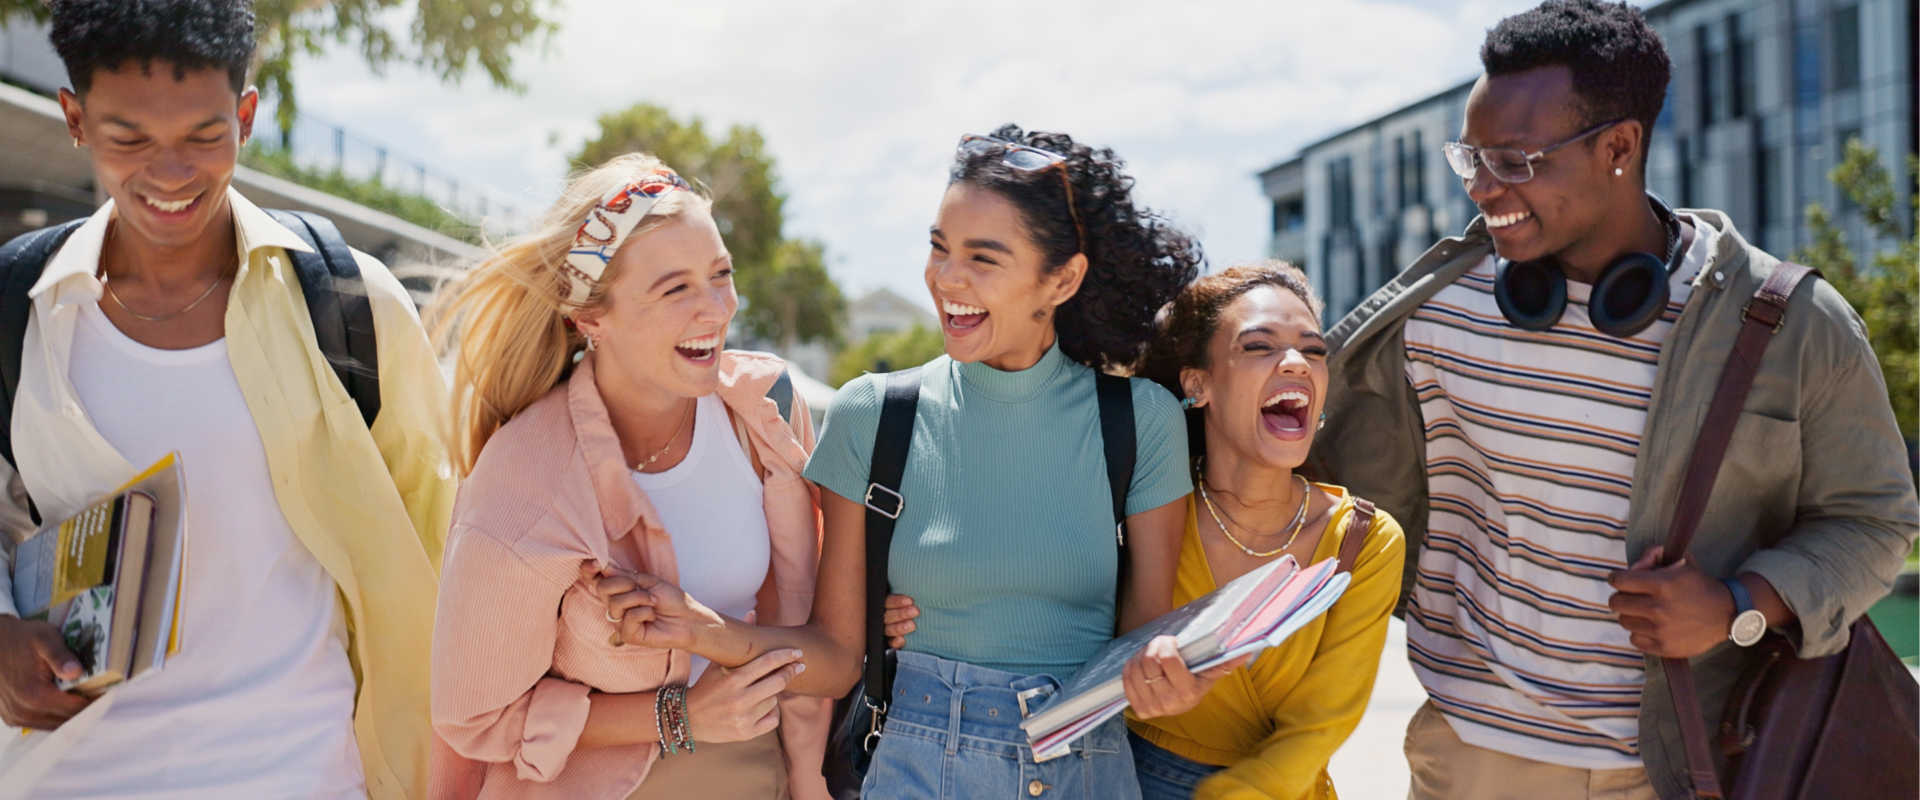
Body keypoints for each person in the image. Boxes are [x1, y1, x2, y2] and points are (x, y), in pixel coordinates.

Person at [1308, 2, 1920, 799]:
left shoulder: (1787, 323)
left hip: (1691, 763)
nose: (1485, 189)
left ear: (1619, 147)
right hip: (1475, 762)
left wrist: (1739, 604)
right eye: (1472, 159)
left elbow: (1875, 521)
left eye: (1517, 162)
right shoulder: (1432, 316)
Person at [592, 125, 1230, 800]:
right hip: (917, 771)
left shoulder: (1139, 420)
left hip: (1086, 772)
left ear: (1063, 278)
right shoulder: (874, 415)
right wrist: (702, 631)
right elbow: (838, 660)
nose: (946, 278)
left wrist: (1169, 681)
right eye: (938, 248)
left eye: (983, 259)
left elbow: (1141, 643)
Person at [0, 1, 457, 798]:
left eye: (203, 137)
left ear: (246, 115)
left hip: (300, 774)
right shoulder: (17, 306)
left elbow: (443, 537)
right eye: (127, 138)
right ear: (73, 118)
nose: (169, 174)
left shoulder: (351, 302)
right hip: (67, 777)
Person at [426, 154, 828, 800]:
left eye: (720, 275)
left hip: (766, 775)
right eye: (675, 289)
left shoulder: (768, 414)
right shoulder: (524, 479)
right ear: (591, 319)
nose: (715, 310)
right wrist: (680, 717)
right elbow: (475, 719)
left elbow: (819, 633)